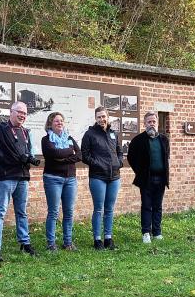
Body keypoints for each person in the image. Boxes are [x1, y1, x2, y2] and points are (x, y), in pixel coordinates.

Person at [0, 101, 40, 262]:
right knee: (0, 212)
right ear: (11, 112)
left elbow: (29, 153)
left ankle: (25, 243)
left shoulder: (25, 132)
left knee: (22, 212)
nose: (22, 115)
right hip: (4, 177)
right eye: (19, 112)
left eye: (25, 113)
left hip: (22, 177)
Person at [81, 106, 123, 250]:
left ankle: (108, 238)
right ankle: (97, 240)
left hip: (114, 177)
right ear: (95, 118)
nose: (101, 119)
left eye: (103, 116)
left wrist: (119, 162)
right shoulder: (90, 134)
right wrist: (98, 164)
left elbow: (119, 152)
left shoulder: (113, 134)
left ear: (108, 117)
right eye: (98, 117)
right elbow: (85, 155)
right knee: (99, 209)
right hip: (98, 176)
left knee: (110, 209)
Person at [127, 111, 170, 244]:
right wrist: (140, 172)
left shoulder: (164, 139)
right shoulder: (138, 140)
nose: (152, 124)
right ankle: (146, 232)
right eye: (149, 122)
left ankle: (157, 232)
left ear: (157, 123)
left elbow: (166, 157)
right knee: (146, 206)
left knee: (158, 206)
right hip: (146, 179)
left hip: (161, 178)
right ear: (145, 123)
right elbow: (131, 157)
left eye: (154, 121)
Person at [41, 112, 81, 251]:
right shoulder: (46, 140)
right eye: (56, 121)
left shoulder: (69, 138)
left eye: (61, 121)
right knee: (53, 212)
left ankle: (68, 242)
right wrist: (70, 152)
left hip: (70, 179)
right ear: (50, 124)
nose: (59, 123)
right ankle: (51, 244)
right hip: (53, 178)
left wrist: (64, 159)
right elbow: (54, 154)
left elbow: (80, 155)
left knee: (69, 212)